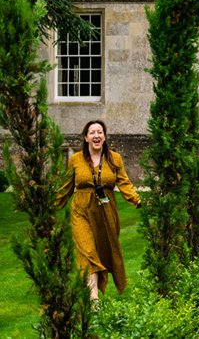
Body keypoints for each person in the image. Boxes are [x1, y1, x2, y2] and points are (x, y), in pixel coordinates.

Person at [57, 120, 142, 304]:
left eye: (100, 132)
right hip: (81, 210)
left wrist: (136, 199)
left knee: (102, 252)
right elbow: (66, 187)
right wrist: (52, 206)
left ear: (104, 136)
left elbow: (124, 182)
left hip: (106, 211)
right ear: (85, 137)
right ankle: (93, 297)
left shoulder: (114, 158)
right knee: (87, 251)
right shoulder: (76, 159)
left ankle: (94, 292)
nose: (96, 136)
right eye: (92, 132)